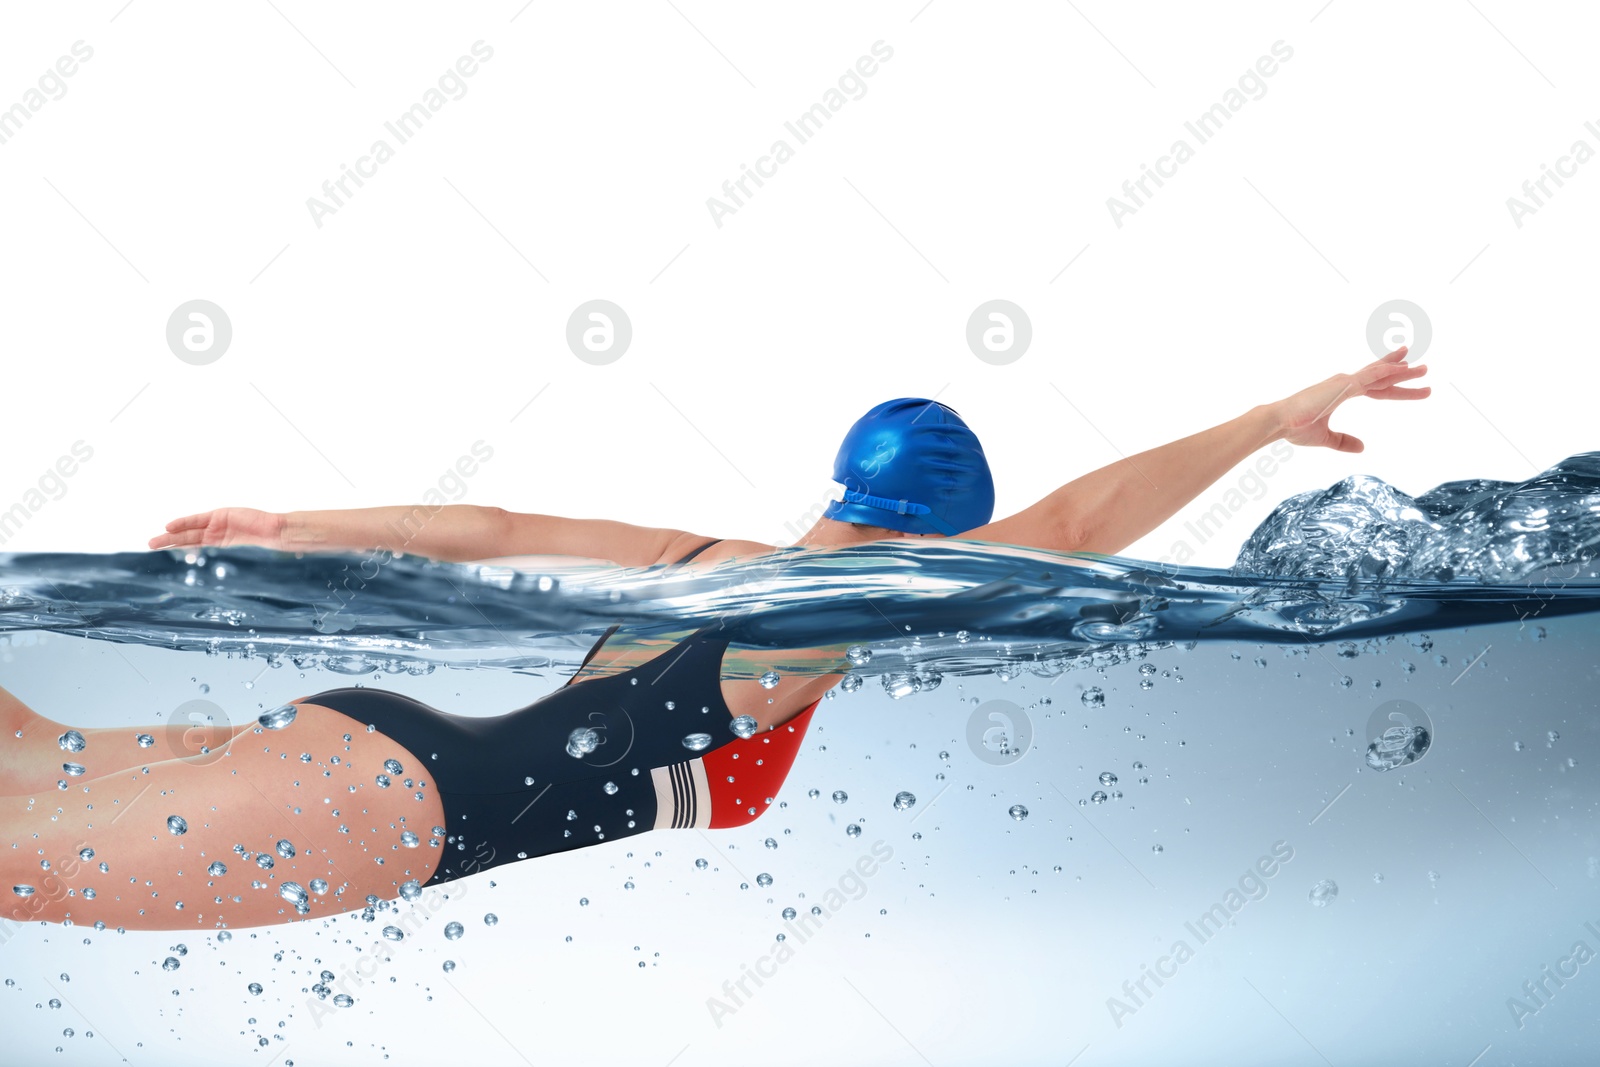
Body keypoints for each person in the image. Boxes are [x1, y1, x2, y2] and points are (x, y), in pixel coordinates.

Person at [1, 349, 1428, 931]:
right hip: (390, 804)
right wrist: (1259, 421)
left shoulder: (717, 565)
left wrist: (293, 519)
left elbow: (489, 528)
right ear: (947, 533)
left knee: (25, 752)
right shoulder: (843, 616)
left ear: (838, 488)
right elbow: (1081, 514)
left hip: (352, 747)